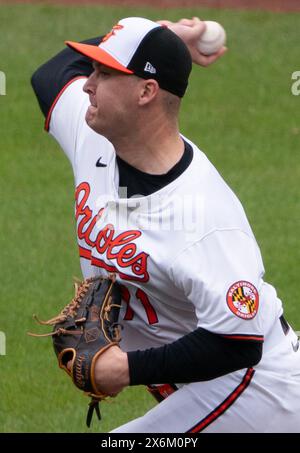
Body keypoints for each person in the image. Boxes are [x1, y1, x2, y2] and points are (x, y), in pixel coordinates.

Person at [31, 16, 300, 433]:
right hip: (203, 387)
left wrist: (125, 369)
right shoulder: (96, 137)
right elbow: (50, 74)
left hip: (256, 390)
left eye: (104, 72)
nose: (87, 84)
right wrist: (163, 35)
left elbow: (238, 341)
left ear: (146, 91)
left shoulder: (205, 218)